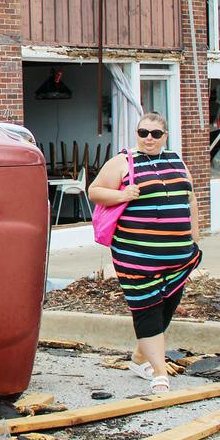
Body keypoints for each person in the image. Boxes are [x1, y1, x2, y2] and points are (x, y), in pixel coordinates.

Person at [88, 113, 202, 394]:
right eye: (143, 133)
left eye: (155, 134)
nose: (149, 138)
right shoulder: (123, 161)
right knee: (147, 309)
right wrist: (122, 195)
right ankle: (159, 372)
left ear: (165, 136)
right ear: (137, 134)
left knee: (166, 307)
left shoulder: (176, 161)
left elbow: (190, 199)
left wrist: (195, 240)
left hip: (177, 257)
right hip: (136, 256)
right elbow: (94, 191)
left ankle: (141, 358)